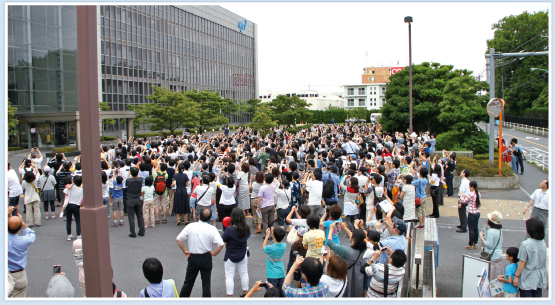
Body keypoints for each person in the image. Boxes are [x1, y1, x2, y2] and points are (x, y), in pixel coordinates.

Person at [176, 207, 224, 297]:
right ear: (209, 218)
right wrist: (214, 253)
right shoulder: (212, 229)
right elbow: (221, 244)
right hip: (206, 257)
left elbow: (178, 239)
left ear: (199, 216)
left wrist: (184, 250)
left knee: (188, 283)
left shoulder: (191, 226)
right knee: (206, 284)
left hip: (193, 257)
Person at [326, 220, 367, 297]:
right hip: (359, 281)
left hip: (348, 280)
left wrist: (331, 229)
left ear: (353, 239)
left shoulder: (347, 252)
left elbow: (330, 243)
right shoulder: (365, 250)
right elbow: (355, 237)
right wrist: (345, 228)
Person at [513, 218, 547, 297]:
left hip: (528, 276)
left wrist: (516, 276)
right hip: (539, 276)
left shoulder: (525, 244)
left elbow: (522, 262)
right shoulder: (542, 242)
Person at [222, 208, 251, 297]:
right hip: (243, 253)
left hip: (230, 255)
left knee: (229, 276)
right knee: (244, 273)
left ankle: (230, 296)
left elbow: (223, 239)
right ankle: (244, 293)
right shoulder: (246, 228)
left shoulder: (230, 229)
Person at [8, 207, 36, 298]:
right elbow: (31, 234)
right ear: (20, 228)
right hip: (18, 276)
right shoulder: (23, 241)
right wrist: (23, 224)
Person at [479, 211, 503, 280]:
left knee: (490, 277)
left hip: (492, 256)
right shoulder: (500, 230)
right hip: (499, 255)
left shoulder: (490, 231)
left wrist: (482, 238)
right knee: (497, 276)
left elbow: (489, 245)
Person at [460, 181, 481, 249]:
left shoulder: (471, 194)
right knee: (475, 228)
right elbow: (471, 199)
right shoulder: (478, 193)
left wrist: (461, 196)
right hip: (477, 212)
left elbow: (464, 201)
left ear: (472, 187)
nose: (469, 188)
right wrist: (466, 196)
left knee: (471, 229)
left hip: (472, 213)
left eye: (469, 186)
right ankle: (475, 243)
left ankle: (470, 244)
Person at [62, 175, 84, 240]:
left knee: (68, 220)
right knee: (78, 221)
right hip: (77, 206)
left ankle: (69, 235)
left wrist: (72, 184)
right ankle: (78, 235)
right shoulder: (82, 190)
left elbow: (65, 191)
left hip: (69, 205)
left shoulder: (71, 188)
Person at [126, 167, 145, 238]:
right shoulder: (140, 180)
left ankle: (133, 232)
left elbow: (126, 181)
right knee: (140, 216)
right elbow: (139, 177)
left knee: (131, 217)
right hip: (138, 199)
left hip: (130, 199)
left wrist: (129, 173)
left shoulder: (128, 180)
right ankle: (142, 231)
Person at [457, 169, 471, 233]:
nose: (461, 172)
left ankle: (463, 227)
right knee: (462, 212)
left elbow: (461, 193)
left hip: (463, 199)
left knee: (462, 213)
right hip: (466, 198)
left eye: (462, 171)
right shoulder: (467, 181)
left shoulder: (464, 182)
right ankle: (462, 224)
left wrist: (460, 202)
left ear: (464, 174)